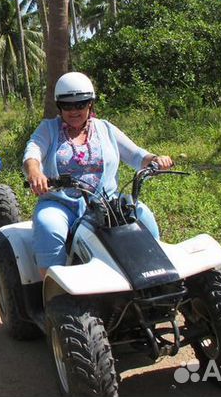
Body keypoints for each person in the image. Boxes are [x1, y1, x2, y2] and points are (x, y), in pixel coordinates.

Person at [23, 72, 174, 279]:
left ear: (90, 104)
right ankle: (55, 293)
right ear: (59, 106)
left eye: (81, 104)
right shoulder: (49, 129)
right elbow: (33, 152)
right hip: (61, 203)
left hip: (106, 202)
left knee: (143, 214)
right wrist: (35, 172)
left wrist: (156, 159)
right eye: (68, 105)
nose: (74, 110)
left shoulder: (105, 128)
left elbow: (136, 154)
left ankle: (157, 276)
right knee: (49, 226)